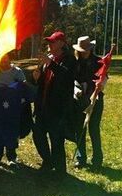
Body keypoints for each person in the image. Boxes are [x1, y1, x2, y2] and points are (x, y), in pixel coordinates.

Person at [32, 31, 76, 176]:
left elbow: (66, 77)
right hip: (43, 106)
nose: (49, 44)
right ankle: (48, 161)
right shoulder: (49, 59)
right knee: (38, 135)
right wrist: (36, 78)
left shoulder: (69, 59)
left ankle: (60, 172)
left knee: (57, 140)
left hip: (58, 109)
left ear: (62, 43)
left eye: (53, 42)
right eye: (49, 41)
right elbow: (42, 82)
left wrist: (50, 64)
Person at [72, 36, 105, 169]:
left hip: (95, 99)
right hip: (79, 100)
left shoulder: (99, 61)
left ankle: (97, 159)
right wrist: (76, 90)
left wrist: (97, 89)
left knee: (93, 129)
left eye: (86, 49)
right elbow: (72, 79)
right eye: (82, 50)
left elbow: (103, 79)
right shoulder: (75, 62)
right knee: (80, 129)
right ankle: (81, 158)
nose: (84, 52)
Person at [0, 52, 27, 168]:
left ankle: (12, 157)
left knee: (11, 130)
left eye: (6, 59)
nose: (3, 61)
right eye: (1, 59)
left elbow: (24, 88)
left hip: (12, 109)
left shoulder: (17, 72)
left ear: (10, 59)